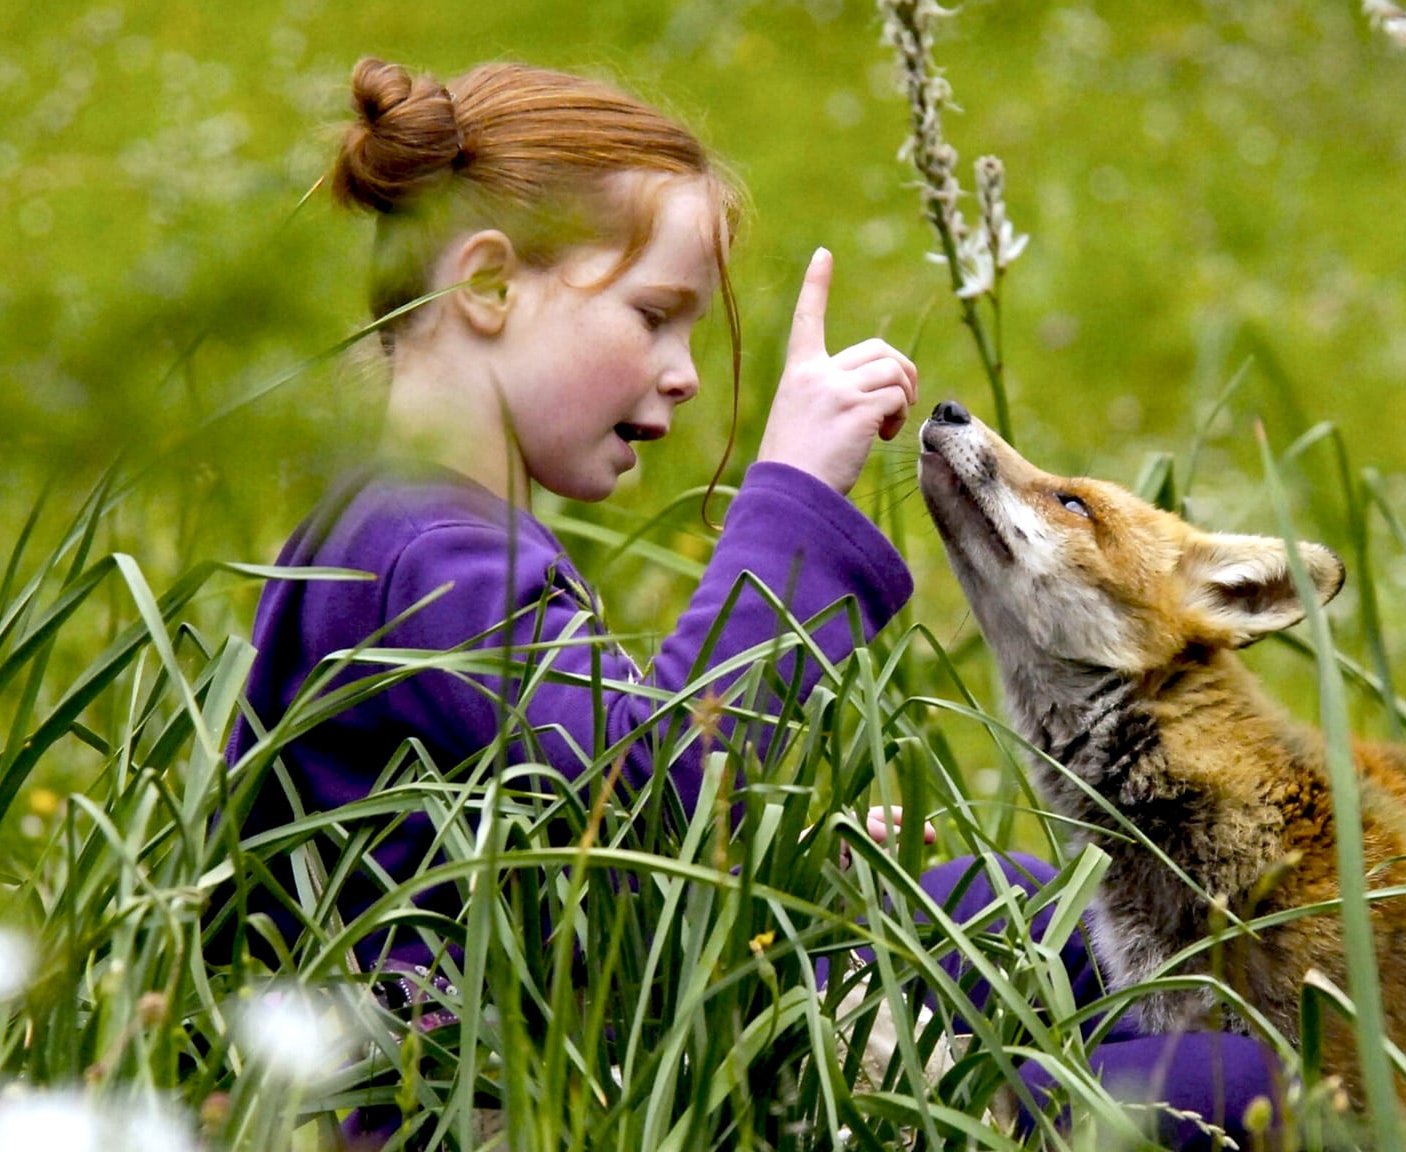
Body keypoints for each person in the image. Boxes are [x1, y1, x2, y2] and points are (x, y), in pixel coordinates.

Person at [222, 55, 1280, 1151]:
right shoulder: (434, 557)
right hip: (549, 1090)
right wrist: (787, 501)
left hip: (597, 1005)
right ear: (488, 287)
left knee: (1033, 907)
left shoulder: (400, 527)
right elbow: (657, 797)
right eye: (654, 314)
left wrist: (785, 857)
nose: (682, 372)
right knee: (1229, 1083)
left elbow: (577, 818)